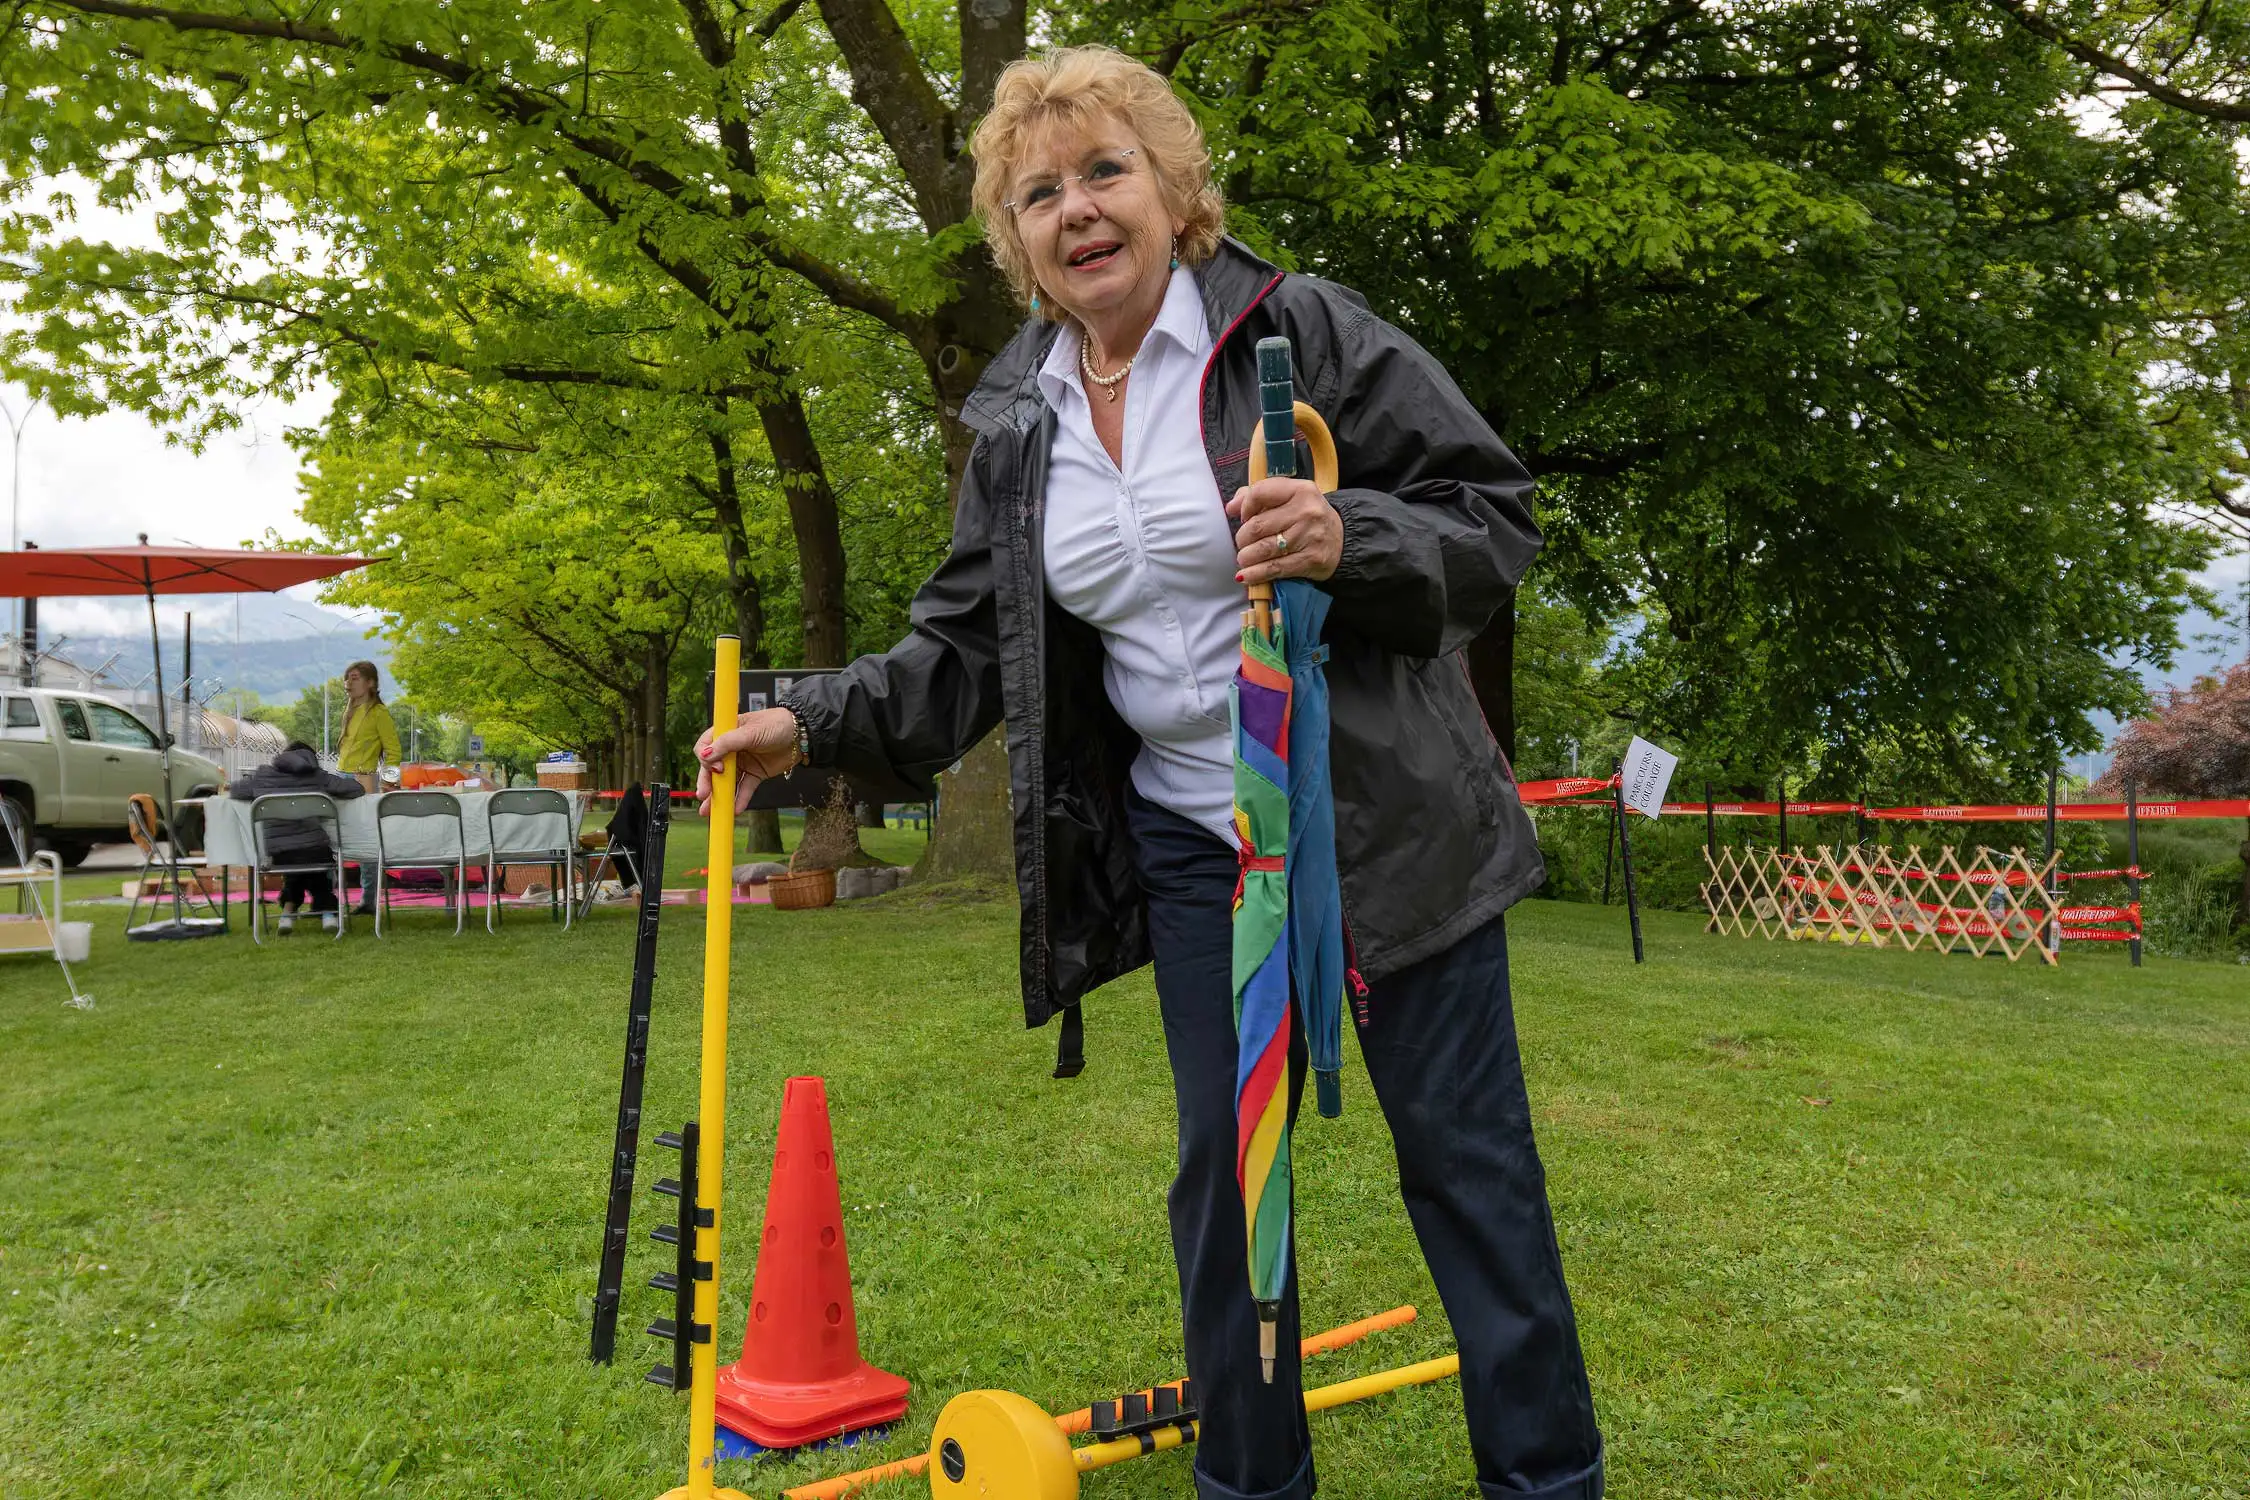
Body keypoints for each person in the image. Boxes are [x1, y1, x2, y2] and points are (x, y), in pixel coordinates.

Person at [697, 46, 1602, 1500]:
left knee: (1467, 1168)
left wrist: (1349, 537)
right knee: (1226, 1190)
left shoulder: (1298, 331)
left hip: (1383, 826)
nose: (1077, 209)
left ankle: (1546, 1483)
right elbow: (962, 645)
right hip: (1195, 846)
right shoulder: (1021, 425)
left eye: (1105, 170)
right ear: (1017, 244)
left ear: (1177, 193)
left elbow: (1489, 513)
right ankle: (1250, 1487)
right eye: (1038, 193)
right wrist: (805, 722)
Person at [229, 740, 365, 934]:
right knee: (317, 866)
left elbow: (236, 790)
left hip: (279, 853)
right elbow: (356, 789)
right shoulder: (318, 776)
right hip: (316, 849)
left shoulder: (264, 775)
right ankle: (328, 914)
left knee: (296, 869)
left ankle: (288, 912)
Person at [335, 659, 400, 914]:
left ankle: (368, 899)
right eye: (347, 678)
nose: (347, 683)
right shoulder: (349, 710)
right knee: (335, 835)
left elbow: (394, 750)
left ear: (370, 683)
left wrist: (389, 782)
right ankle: (326, 898)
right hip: (340, 777)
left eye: (354, 678)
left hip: (364, 780)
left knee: (365, 840)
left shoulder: (379, 713)